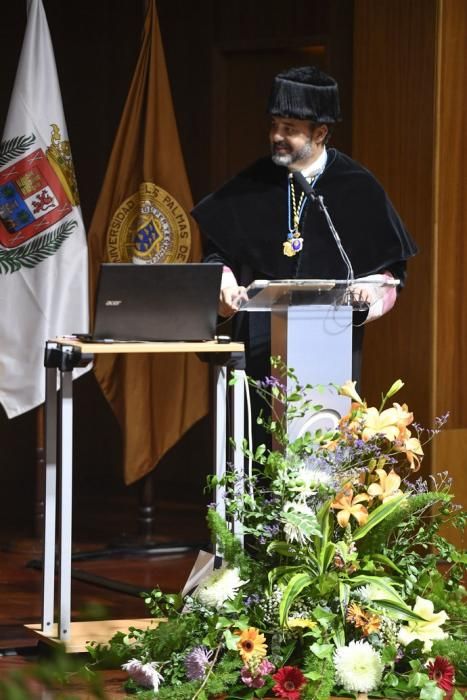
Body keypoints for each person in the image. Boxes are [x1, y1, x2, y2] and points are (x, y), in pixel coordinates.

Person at [192, 66, 418, 386]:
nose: (277, 137)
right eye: (274, 126)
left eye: (290, 128)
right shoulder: (250, 183)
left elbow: (392, 271)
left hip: (332, 348)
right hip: (257, 353)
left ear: (320, 133)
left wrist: (370, 293)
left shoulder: (358, 187)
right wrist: (224, 286)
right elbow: (217, 255)